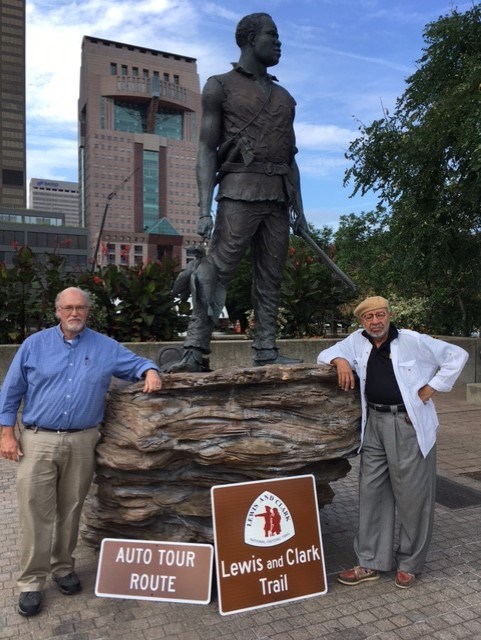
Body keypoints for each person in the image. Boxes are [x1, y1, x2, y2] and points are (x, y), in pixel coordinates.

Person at [0, 287, 162, 617]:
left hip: (83, 441)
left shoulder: (105, 347)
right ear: (57, 311)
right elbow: (11, 390)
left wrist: (151, 371)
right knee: (35, 510)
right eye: (68, 308)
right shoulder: (34, 345)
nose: (74, 313)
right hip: (38, 440)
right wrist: (7, 434)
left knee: (71, 507)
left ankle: (63, 568)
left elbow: (137, 362)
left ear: (88, 312)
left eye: (80, 308)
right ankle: (31, 581)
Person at [169, 12, 307, 372]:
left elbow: (291, 159)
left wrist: (301, 212)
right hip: (238, 191)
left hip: (277, 197)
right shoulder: (220, 86)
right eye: (271, 35)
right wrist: (204, 210)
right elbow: (205, 149)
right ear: (248, 39)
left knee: (271, 276)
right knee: (216, 270)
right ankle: (195, 352)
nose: (278, 43)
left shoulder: (285, 97)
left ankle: (266, 351)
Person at [317, 296, 468, 589]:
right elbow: (326, 352)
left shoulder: (412, 340)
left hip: (406, 423)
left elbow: (457, 355)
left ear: (389, 315)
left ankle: (409, 563)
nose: (375, 321)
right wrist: (340, 361)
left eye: (380, 315)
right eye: (369, 317)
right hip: (373, 423)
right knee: (371, 491)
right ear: (362, 322)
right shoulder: (357, 341)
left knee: (412, 496)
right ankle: (370, 562)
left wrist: (430, 389)